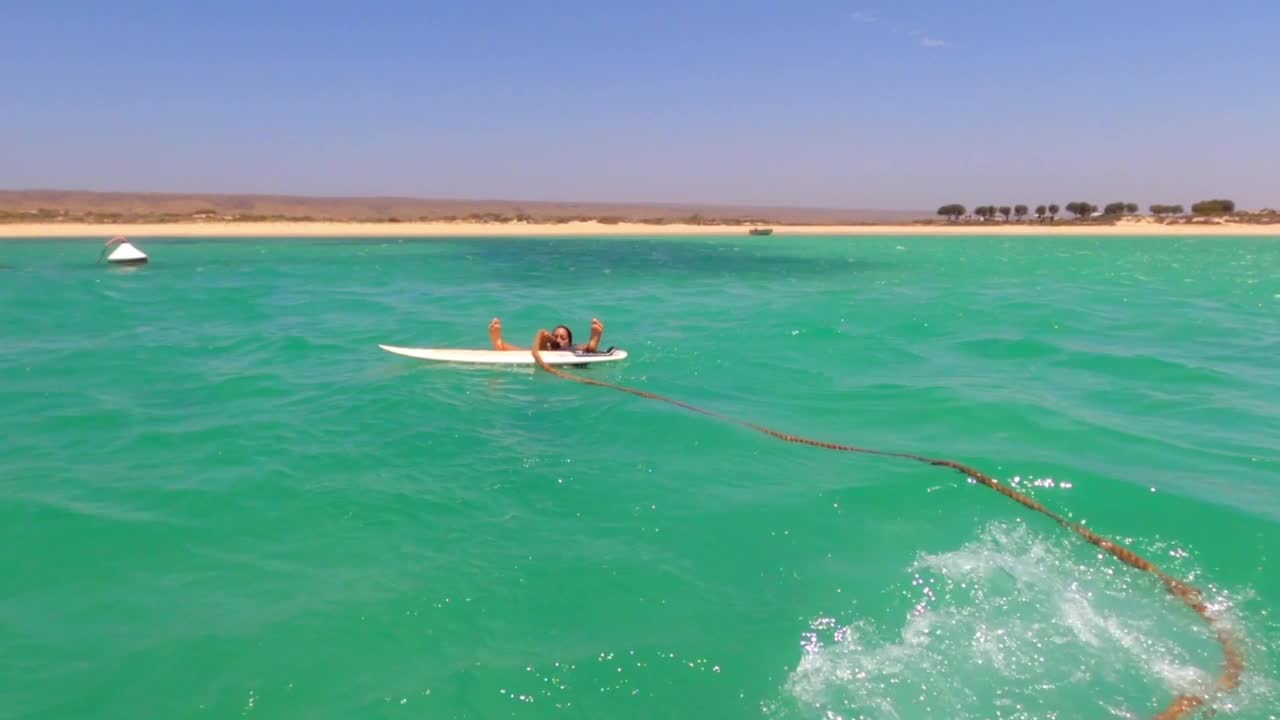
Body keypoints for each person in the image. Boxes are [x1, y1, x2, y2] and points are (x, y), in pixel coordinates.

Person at [489, 317, 605, 352]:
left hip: (565, 353)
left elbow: (581, 347)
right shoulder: (548, 346)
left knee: (586, 348)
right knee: (526, 351)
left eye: (563, 337)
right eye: (555, 336)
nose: (558, 339)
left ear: (569, 341)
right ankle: (500, 344)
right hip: (544, 351)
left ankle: (593, 342)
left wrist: (590, 345)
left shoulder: (570, 347)